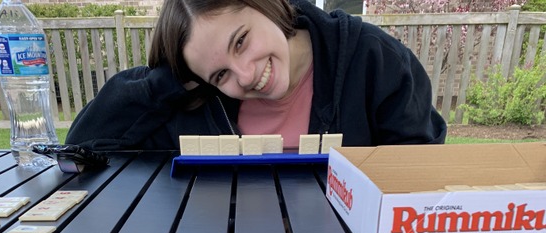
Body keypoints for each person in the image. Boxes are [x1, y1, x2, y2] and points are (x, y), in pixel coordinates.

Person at [66, 0, 446, 151]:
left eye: (241, 41)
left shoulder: (375, 61)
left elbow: (419, 176)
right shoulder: (194, 103)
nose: (246, 76)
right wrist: (169, 80)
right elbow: (83, 144)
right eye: (221, 74)